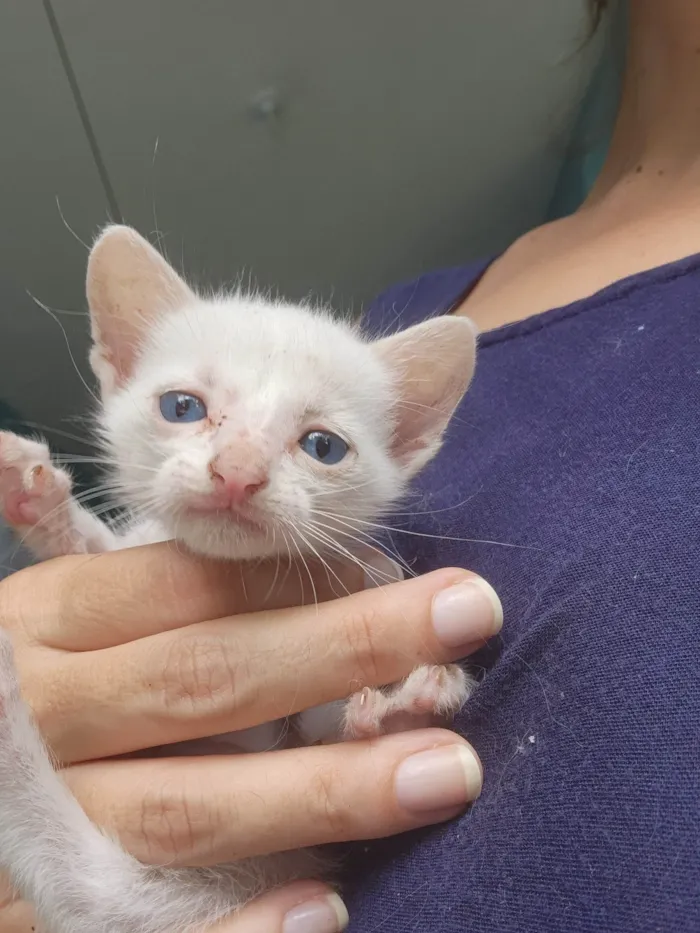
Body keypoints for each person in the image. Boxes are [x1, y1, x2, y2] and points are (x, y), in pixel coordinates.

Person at [1, 1, 698, 931]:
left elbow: (302, 717)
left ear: (408, 442)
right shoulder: (410, 309)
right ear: (119, 369)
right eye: (184, 408)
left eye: (320, 446)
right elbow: (118, 608)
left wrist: (375, 702)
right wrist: (64, 534)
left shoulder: (352, 552)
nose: (237, 468)